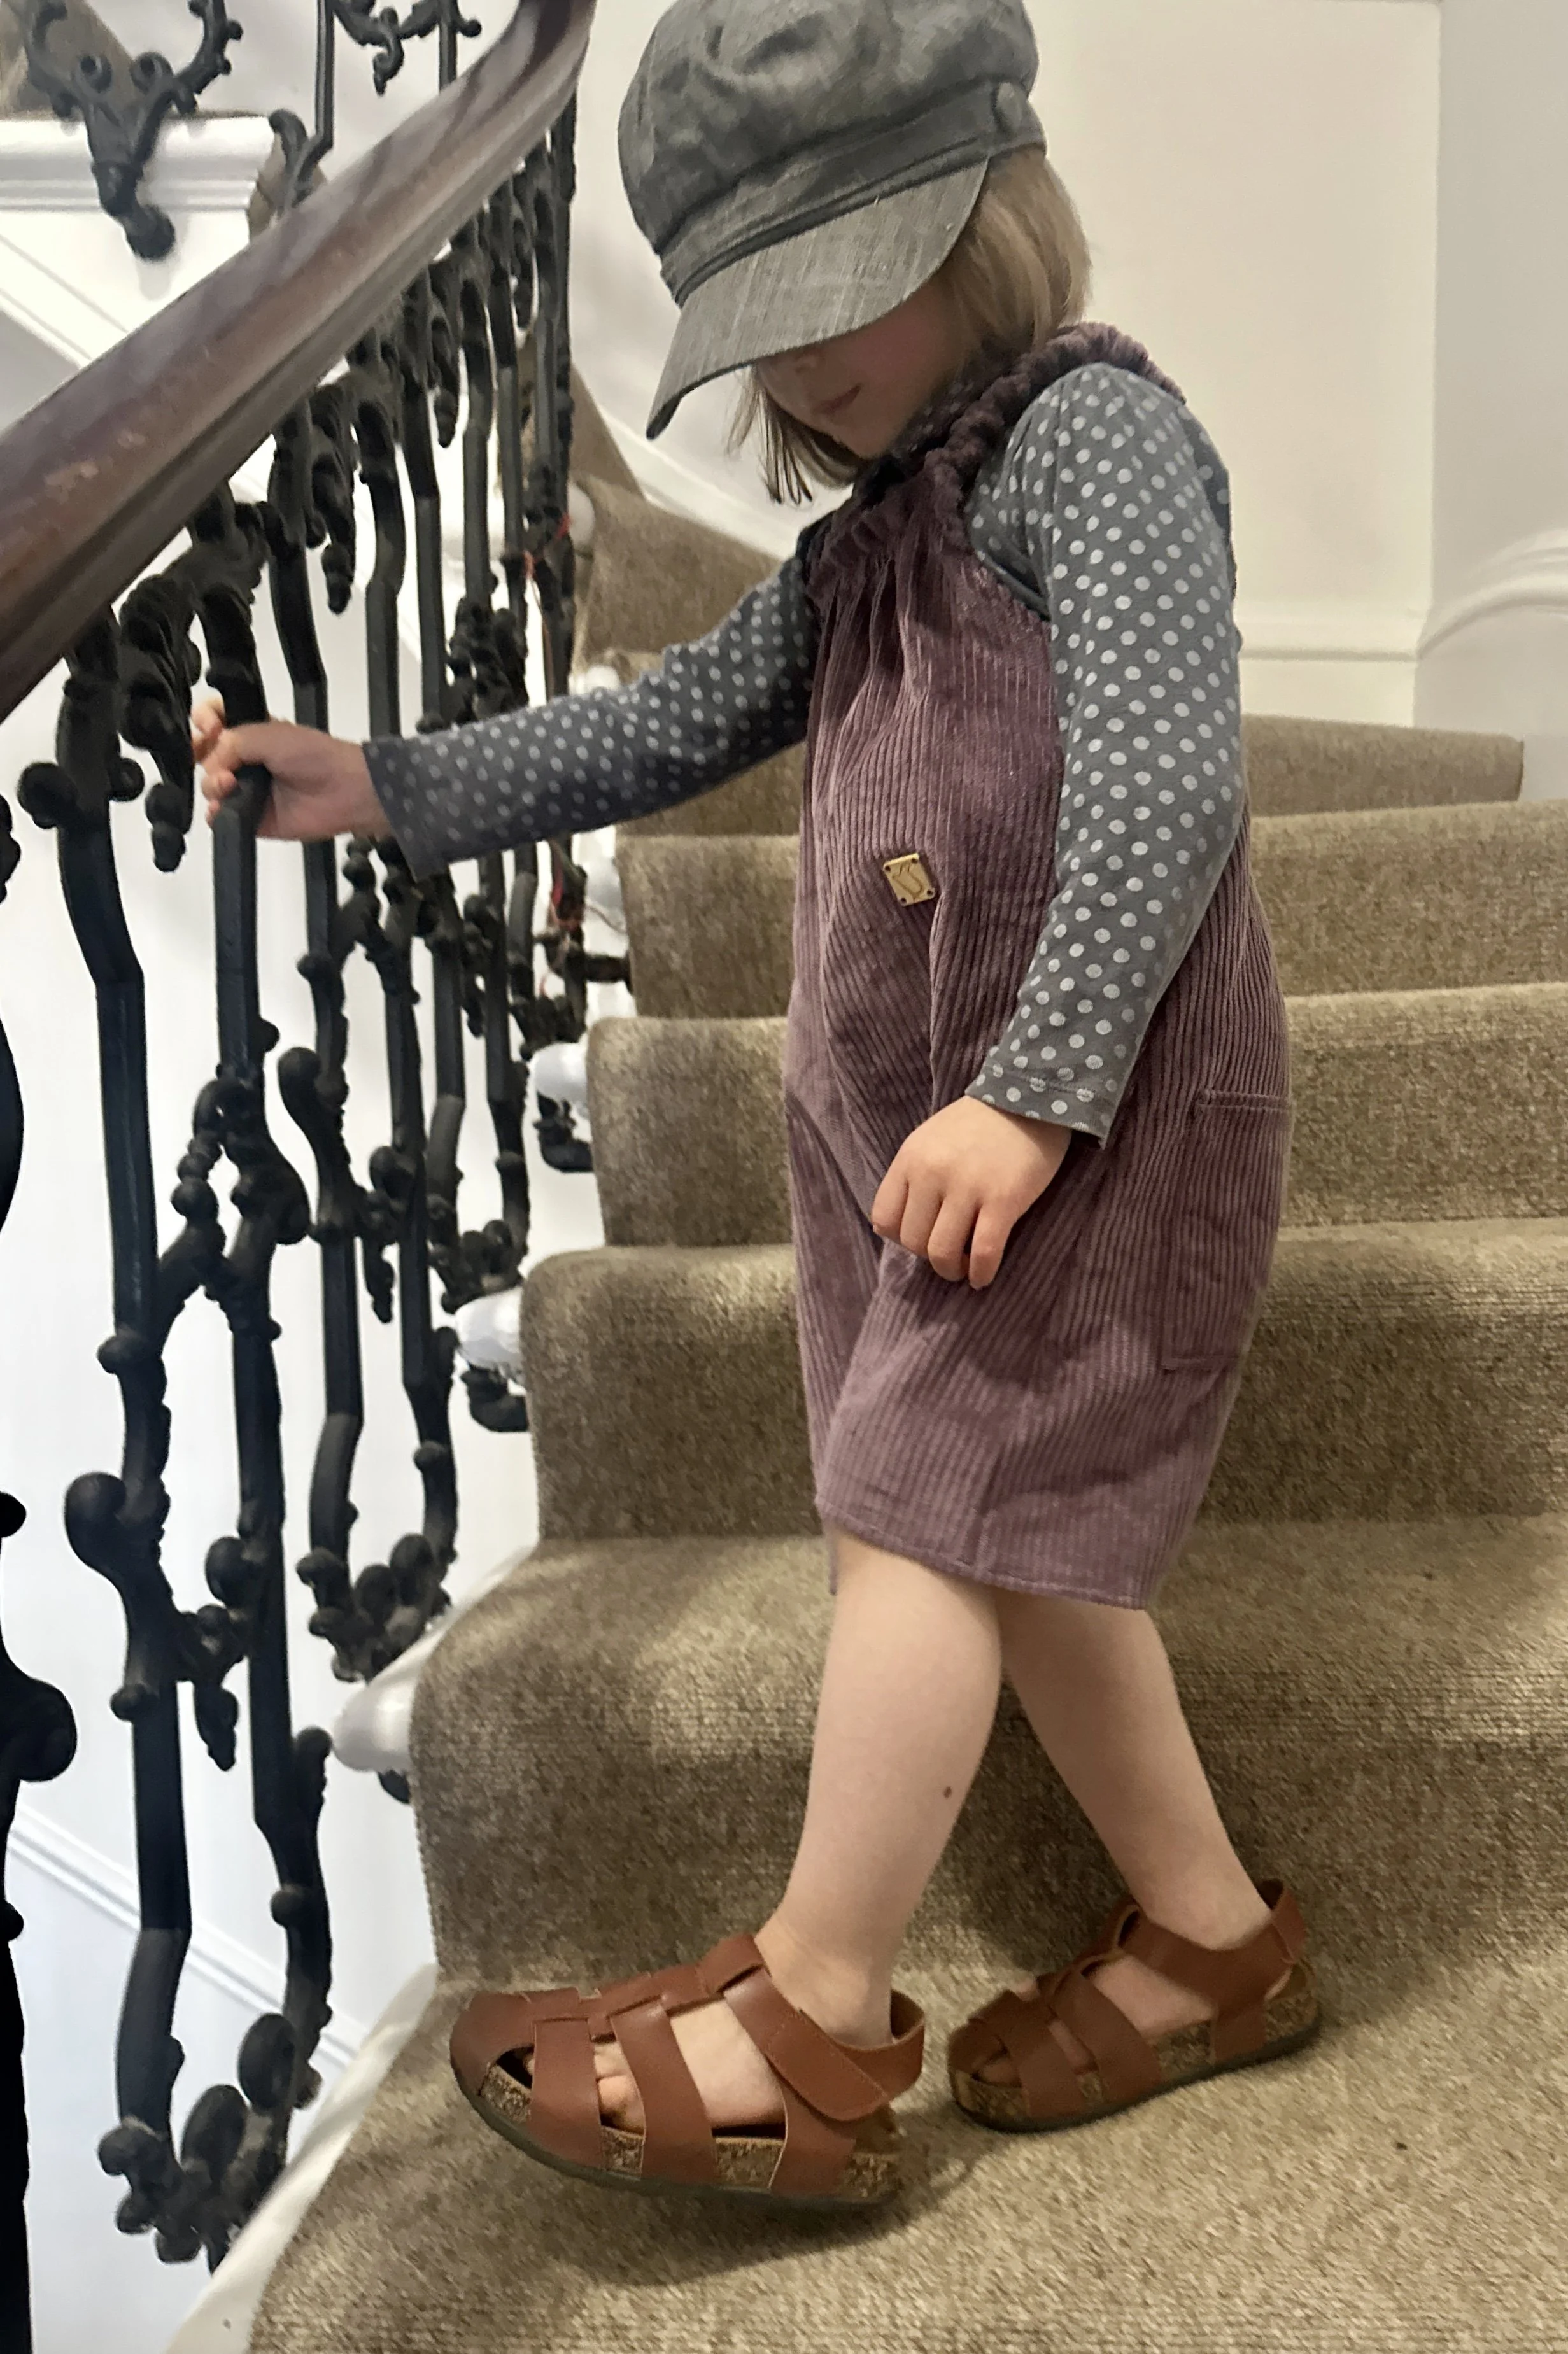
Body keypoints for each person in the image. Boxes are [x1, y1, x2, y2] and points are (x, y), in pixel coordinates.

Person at [194, 0, 1321, 2217]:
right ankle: (1211, 1937)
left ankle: (814, 2016)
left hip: (1080, 1118)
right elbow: (663, 726)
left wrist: (1034, 1092)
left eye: (847, 289)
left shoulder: (1091, 450)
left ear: (987, 220)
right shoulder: (863, 550)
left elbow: (1174, 786)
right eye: (765, 326)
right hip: (923, 1136)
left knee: (916, 1514)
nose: (808, 371)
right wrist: (390, 785)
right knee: (1011, 1542)